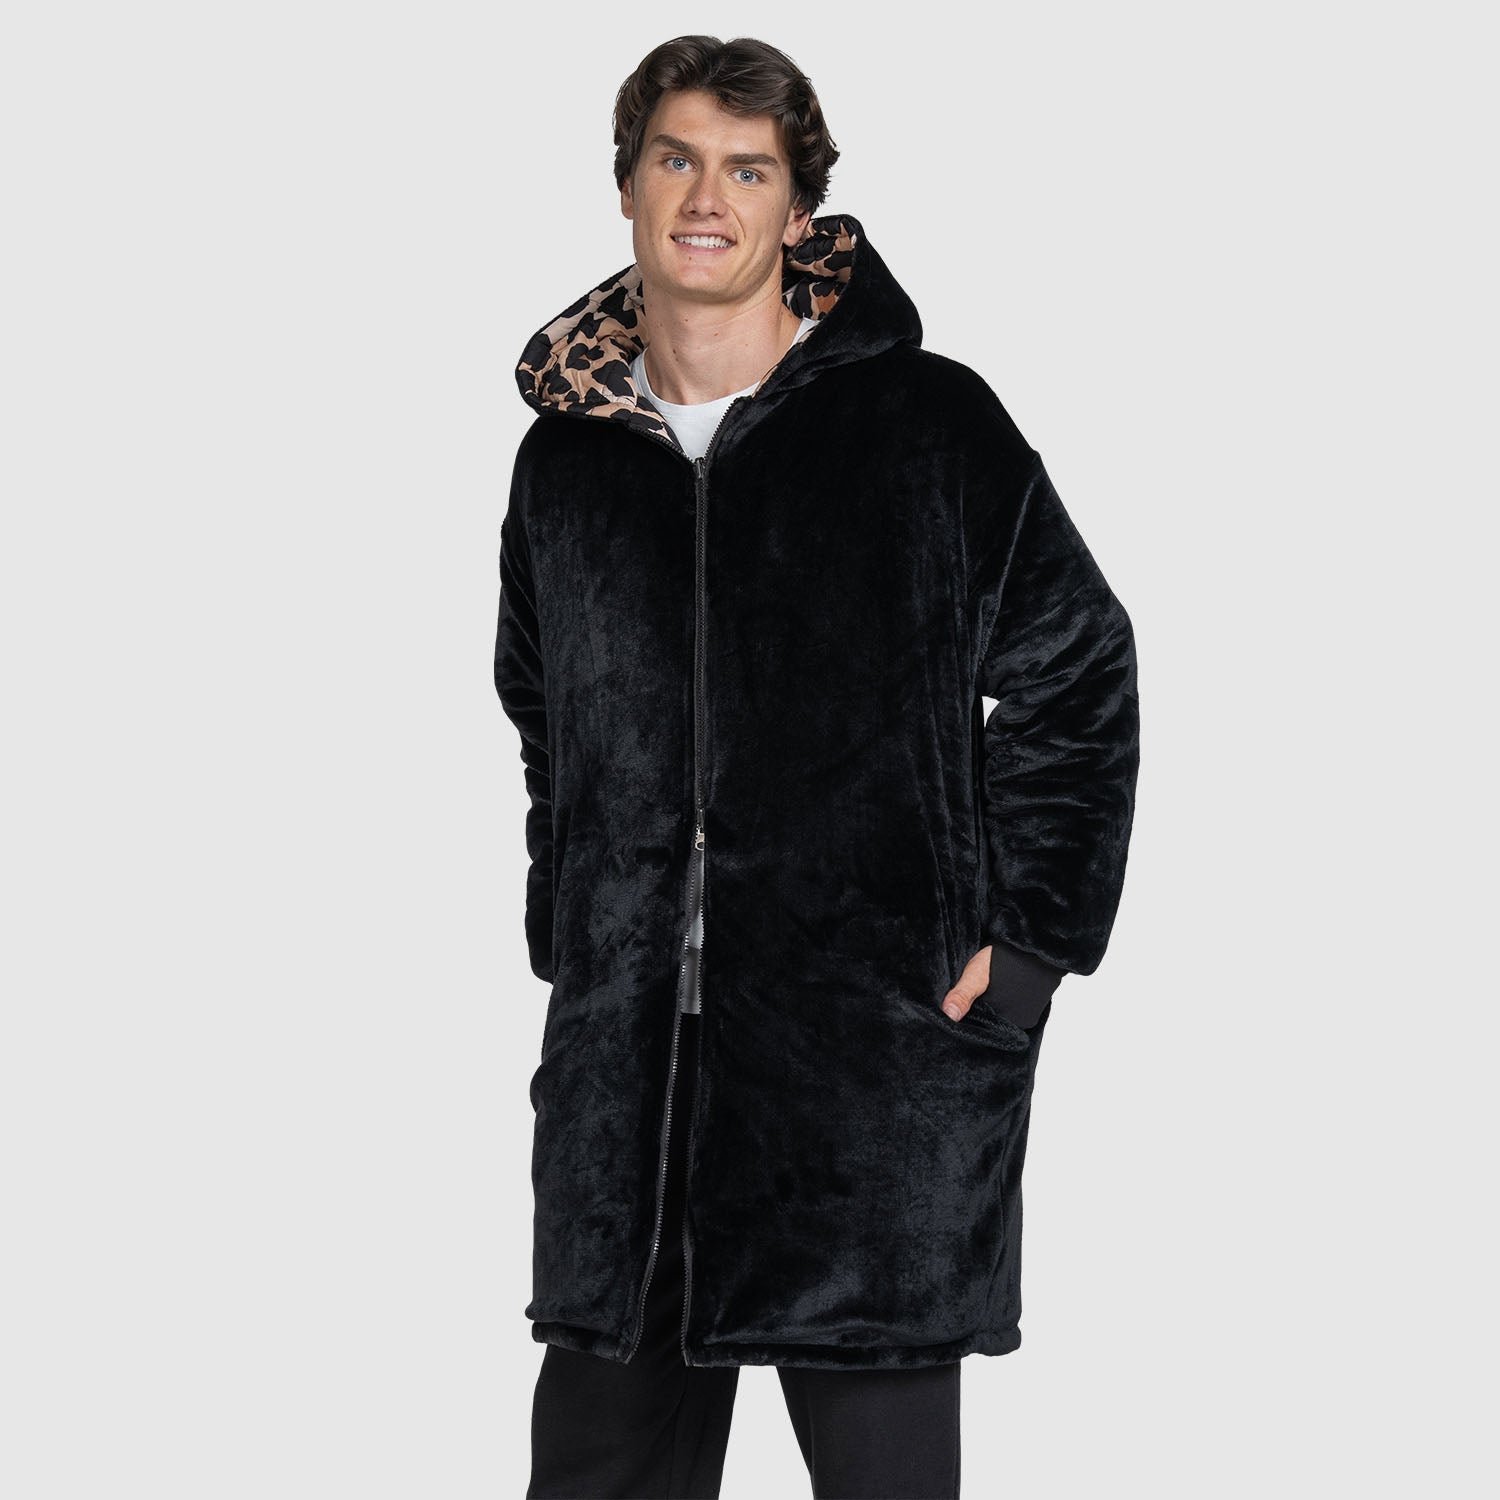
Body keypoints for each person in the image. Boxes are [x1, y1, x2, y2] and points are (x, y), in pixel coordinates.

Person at [494, 34, 1140, 1500]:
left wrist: (1030, 945)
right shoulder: (567, 462)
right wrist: (571, 928)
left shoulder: (927, 425)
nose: (705, 197)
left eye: (748, 170)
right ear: (626, 185)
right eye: (676, 159)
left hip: (869, 1076)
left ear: (798, 210)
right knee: (594, 1470)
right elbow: (542, 709)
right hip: (630, 1085)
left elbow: (1078, 668)